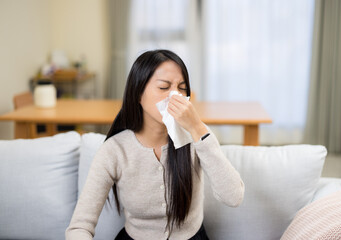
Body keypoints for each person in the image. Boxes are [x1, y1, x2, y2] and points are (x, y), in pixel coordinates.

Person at [65, 49, 245, 240]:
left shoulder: (196, 137)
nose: (174, 96)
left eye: (182, 88)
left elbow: (233, 197)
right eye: (163, 87)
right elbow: (79, 226)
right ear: (138, 94)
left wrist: (197, 128)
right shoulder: (115, 150)